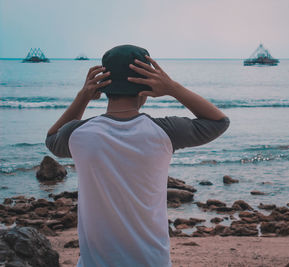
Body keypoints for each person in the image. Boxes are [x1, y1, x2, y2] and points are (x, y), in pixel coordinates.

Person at [45, 44, 229, 267]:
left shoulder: (78, 134)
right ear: (147, 88)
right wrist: (172, 88)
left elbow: (52, 138)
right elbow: (219, 122)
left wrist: (82, 96)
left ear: (102, 88)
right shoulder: (165, 132)